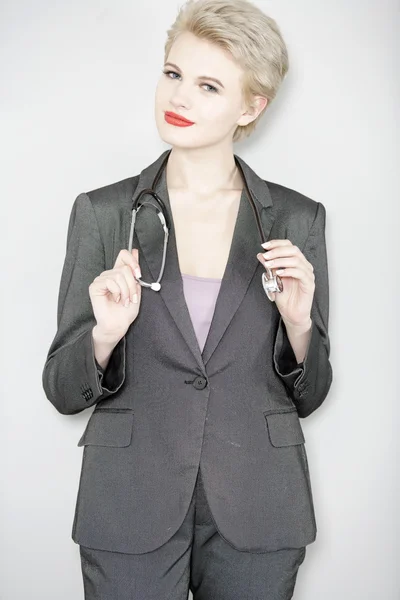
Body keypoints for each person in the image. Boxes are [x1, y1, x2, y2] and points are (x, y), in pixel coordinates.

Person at [42, 0, 333, 598]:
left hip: (259, 502)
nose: (179, 98)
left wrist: (300, 326)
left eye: (208, 85)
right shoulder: (101, 213)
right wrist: (103, 336)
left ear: (251, 107)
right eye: (173, 74)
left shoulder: (297, 219)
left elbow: (313, 393)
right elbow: (60, 388)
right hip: (128, 499)